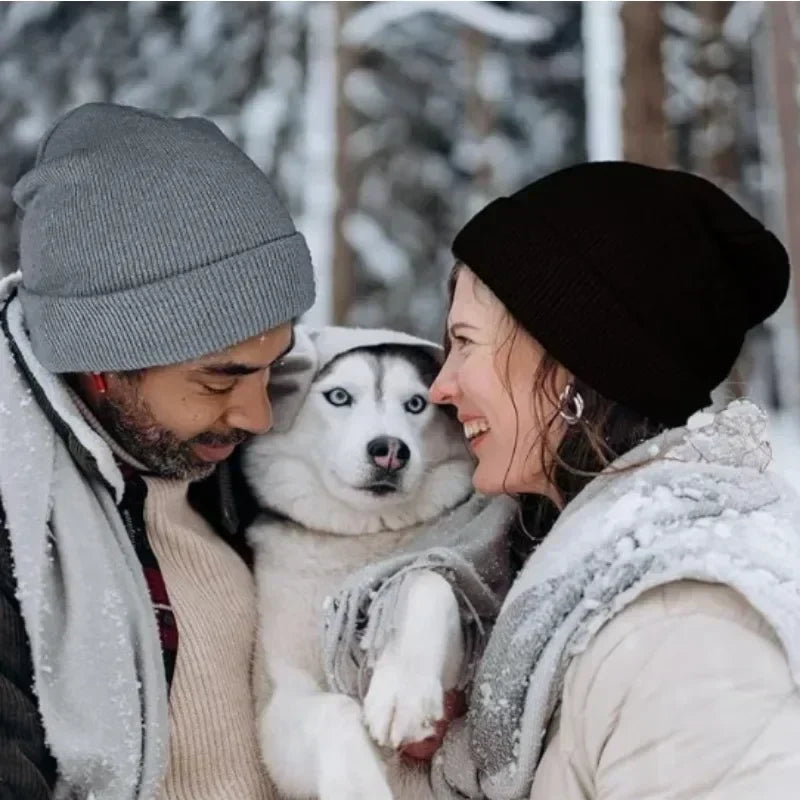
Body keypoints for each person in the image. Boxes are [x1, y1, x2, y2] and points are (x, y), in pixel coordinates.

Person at [427, 162, 800, 799]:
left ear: (571, 363)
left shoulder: (685, 630)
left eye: (465, 342)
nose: (441, 386)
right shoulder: (575, 581)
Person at [0, 103, 315, 800]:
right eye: (221, 378)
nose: (259, 414)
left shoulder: (300, 427)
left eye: (274, 364)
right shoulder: (14, 516)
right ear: (102, 361)